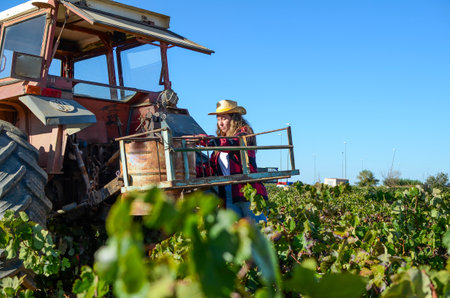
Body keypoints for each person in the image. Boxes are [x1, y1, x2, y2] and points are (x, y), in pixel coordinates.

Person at [196, 99, 268, 221]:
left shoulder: (244, 133)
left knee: (258, 229)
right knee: (236, 232)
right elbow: (211, 167)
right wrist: (189, 171)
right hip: (228, 193)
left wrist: (206, 140)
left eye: (224, 118)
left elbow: (234, 143)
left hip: (247, 191)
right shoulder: (220, 144)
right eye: (218, 119)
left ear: (234, 119)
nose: (220, 123)